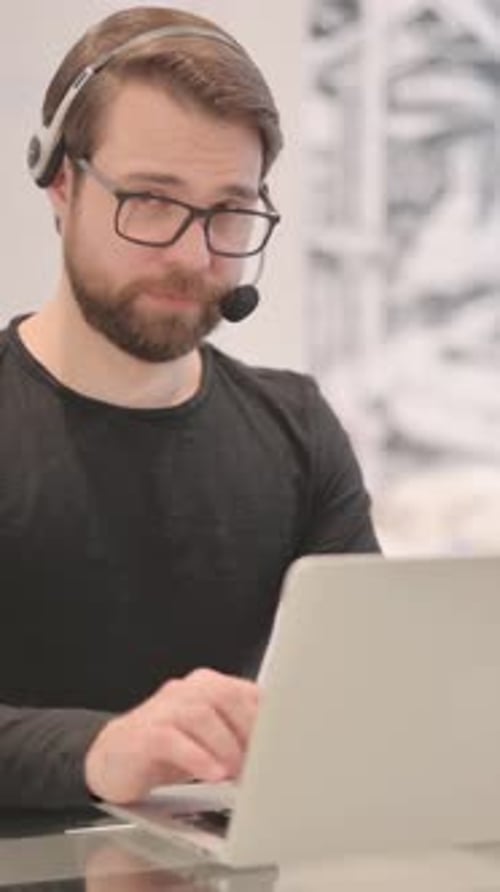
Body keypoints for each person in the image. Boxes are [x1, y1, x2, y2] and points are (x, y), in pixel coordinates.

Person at [0, 5, 380, 812]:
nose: (191, 253)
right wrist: (101, 750)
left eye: (229, 210)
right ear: (60, 183)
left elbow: (366, 701)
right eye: (150, 199)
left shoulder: (297, 429)